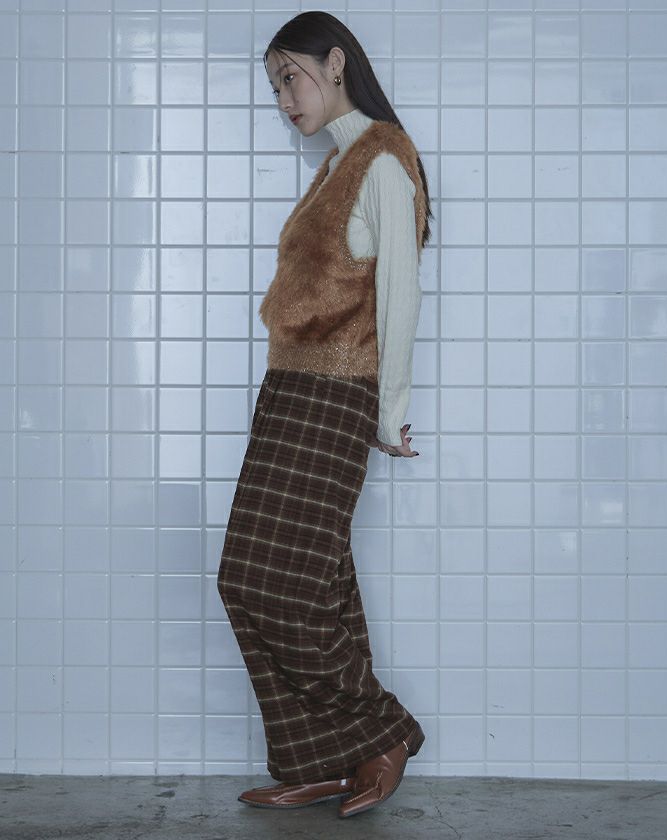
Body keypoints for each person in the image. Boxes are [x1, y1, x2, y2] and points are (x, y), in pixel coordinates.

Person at [216, 10, 433, 819]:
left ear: (335, 63)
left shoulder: (383, 157)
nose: (283, 98)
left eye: (291, 77)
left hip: (337, 392)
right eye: (275, 85)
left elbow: (400, 292)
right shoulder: (339, 163)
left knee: (275, 579)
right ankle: (324, 757)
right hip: (289, 389)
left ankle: (382, 733)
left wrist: (390, 410)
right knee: (284, 577)